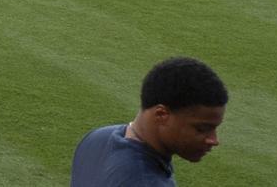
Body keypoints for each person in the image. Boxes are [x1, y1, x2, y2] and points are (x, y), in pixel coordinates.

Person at [70, 57, 227, 186]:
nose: (213, 140)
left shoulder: (98, 137)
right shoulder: (147, 182)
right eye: (201, 129)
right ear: (161, 114)